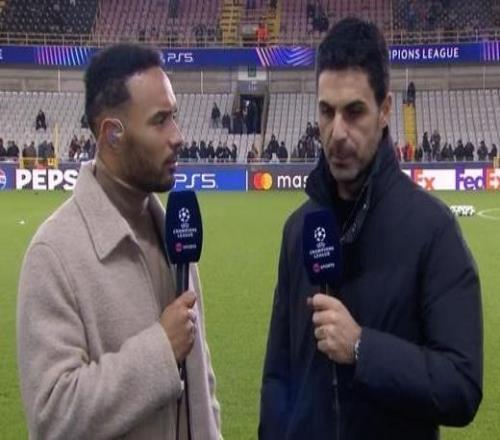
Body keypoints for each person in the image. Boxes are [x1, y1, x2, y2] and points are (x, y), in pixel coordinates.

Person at [259, 18, 482, 440]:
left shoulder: (433, 231)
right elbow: (277, 374)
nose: (337, 133)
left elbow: (461, 385)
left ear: (385, 110)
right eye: (327, 112)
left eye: (354, 111)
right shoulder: (298, 229)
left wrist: (363, 347)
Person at [17, 44, 221, 440]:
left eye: (174, 116)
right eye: (160, 121)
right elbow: (52, 416)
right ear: (112, 133)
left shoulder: (174, 235)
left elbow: (203, 385)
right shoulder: (53, 255)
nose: (178, 136)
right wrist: (161, 350)